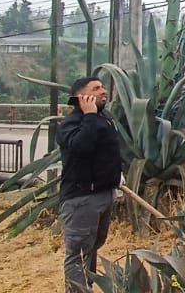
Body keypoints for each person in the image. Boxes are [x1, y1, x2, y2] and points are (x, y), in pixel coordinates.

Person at [58, 76, 123, 292]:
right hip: (81, 198)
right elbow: (81, 147)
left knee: (92, 248)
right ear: (81, 97)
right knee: (78, 255)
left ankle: (88, 287)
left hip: (104, 194)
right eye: (96, 88)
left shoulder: (104, 118)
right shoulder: (71, 124)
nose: (103, 91)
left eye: (102, 86)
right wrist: (90, 116)